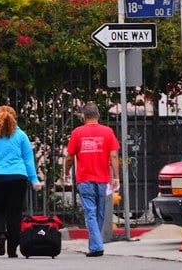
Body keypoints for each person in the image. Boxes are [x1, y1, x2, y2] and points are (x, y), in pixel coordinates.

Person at [0, 105, 43, 258]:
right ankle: (12, 250)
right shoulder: (21, 136)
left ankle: (0, 234)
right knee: (14, 213)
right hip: (18, 178)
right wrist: (34, 179)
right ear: (14, 118)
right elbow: (28, 159)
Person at [63, 101, 121, 258]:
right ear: (98, 116)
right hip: (103, 179)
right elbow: (114, 155)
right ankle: (95, 243)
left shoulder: (77, 133)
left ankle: (96, 245)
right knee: (100, 212)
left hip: (84, 178)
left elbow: (69, 157)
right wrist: (116, 176)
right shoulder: (108, 132)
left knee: (90, 212)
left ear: (84, 117)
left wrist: (67, 172)